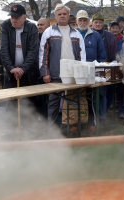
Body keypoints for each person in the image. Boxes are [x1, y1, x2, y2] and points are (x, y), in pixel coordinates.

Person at [39, 4, 86, 135]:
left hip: (73, 76)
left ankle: (71, 129)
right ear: (55, 16)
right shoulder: (48, 32)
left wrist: (80, 74)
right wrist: (45, 73)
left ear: (68, 15)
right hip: (54, 75)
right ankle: (52, 130)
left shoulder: (76, 34)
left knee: (72, 103)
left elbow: (82, 56)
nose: (62, 16)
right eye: (59, 14)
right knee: (53, 103)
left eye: (64, 14)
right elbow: (43, 54)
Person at [0, 4, 39, 136]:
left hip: (28, 72)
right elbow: (3, 50)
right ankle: (10, 131)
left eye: (17, 17)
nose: (14, 20)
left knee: (28, 102)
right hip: (11, 73)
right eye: (12, 17)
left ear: (24, 17)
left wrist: (22, 69)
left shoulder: (32, 27)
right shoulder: (5, 26)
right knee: (11, 101)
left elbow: (33, 52)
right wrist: (11, 68)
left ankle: (28, 130)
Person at [76, 9, 107, 131]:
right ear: (77, 21)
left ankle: (91, 123)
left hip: (91, 72)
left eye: (85, 19)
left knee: (91, 99)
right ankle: (75, 122)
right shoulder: (72, 34)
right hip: (75, 72)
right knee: (74, 98)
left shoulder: (96, 35)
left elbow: (102, 56)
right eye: (80, 20)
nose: (83, 22)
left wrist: (98, 73)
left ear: (89, 21)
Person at [92, 13, 118, 120]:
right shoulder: (89, 34)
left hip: (106, 66)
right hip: (92, 67)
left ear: (103, 23)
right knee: (93, 93)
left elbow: (115, 52)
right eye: (96, 22)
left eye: (100, 22)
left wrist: (112, 65)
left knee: (105, 92)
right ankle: (94, 115)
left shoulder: (109, 36)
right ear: (92, 23)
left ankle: (103, 115)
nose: (98, 24)